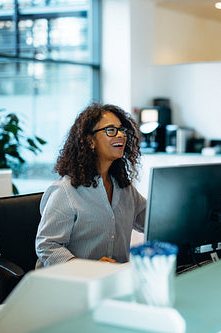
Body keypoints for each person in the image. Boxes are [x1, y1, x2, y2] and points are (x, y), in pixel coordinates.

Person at [36, 103, 147, 268]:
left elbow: (152, 221)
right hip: (74, 283)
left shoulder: (124, 188)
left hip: (115, 279)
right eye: (111, 130)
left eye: (122, 130)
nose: (121, 135)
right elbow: (47, 246)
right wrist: (88, 268)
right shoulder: (66, 190)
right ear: (90, 141)